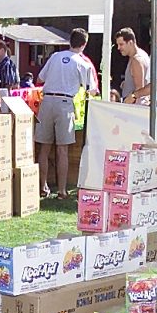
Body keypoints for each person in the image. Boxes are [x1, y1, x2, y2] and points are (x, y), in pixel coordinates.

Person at [36, 27, 97, 199]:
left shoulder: (55, 57)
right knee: (62, 149)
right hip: (65, 103)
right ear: (84, 44)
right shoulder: (83, 63)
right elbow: (92, 90)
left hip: (47, 101)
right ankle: (62, 191)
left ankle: (43, 186)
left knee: (44, 148)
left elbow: (40, 78)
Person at [114, 27, 151, 104]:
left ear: (130, 43)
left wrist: (131, 98)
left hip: (135, 106)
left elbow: (139, 89)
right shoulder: (142, 55)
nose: (118, 48)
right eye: (118, 45)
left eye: (121, 44)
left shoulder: (136, 60)